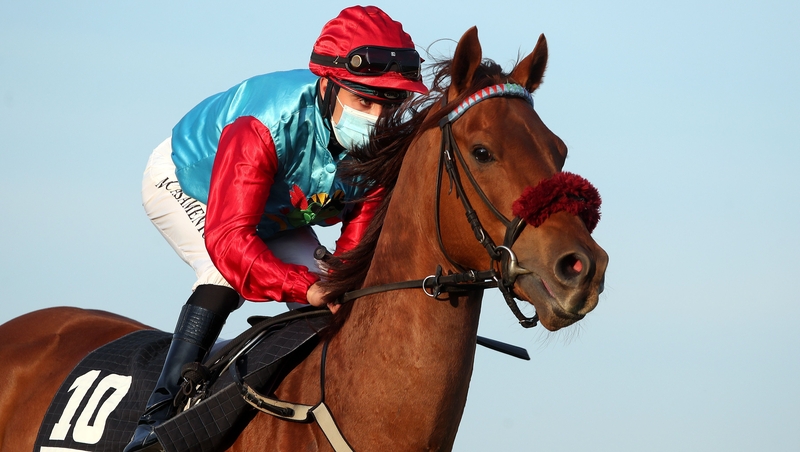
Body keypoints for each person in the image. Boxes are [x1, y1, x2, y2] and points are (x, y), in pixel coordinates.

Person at [124, 5, 427, 452]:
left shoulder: (378, 149)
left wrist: (333, 285)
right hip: (191, 183)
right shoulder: (265, 123)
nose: (378, 119)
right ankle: (155, 422)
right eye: (363, 101)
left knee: (333, 298)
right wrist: (300, 287)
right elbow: (229, 240)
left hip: (273, 209)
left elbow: (354, 246)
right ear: (326, 86)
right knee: (224, 273)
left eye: (389, 104)